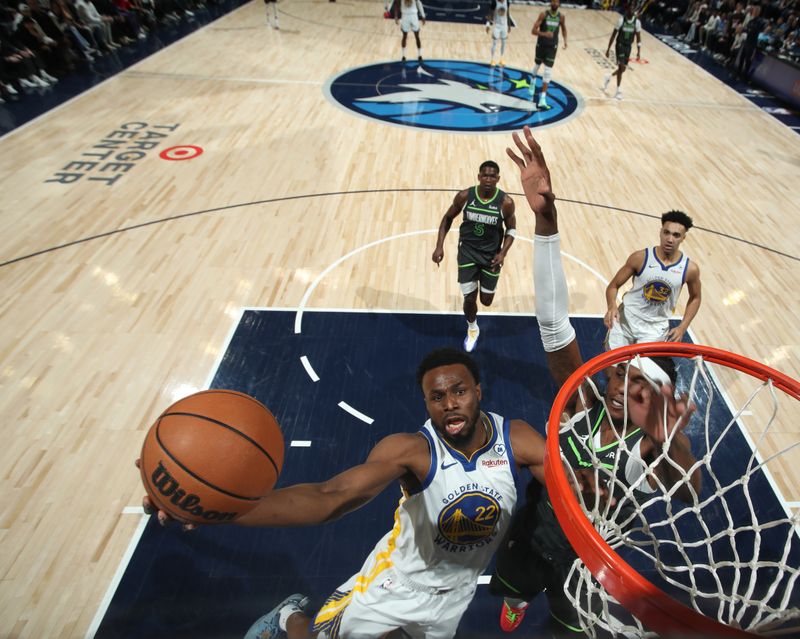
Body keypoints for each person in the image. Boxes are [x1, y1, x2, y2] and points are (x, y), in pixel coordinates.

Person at [141, 347, 551, 639]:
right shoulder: (411, 451)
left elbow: (572, 491)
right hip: (395, 584)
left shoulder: (515, 439)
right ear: (426, 403)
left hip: (457, 591)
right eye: (437, 397)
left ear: (478, 391)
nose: (449, 405)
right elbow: (329, 496)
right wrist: (219, 510)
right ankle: (288, 618)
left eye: (459, 391)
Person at [488, 127, 701, 635]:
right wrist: (546, 223)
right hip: (537, 528)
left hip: (591, 556)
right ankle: (518, 595)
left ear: (650, 398)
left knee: (568, 621)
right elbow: (553, 322)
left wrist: (675, 443)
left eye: (633, 381)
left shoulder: (650, 445)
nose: (617, 378)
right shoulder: (582, 402)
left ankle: (561, 614)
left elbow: (691, 493)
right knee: (516, 586)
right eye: (619, 370)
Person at [431, 161, 516, 353]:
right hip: (467, 253)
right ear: (478, 177)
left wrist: (503, 253)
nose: (488, 179)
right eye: (485, 175)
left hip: (491, 257)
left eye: (492, 176)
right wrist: (439, 246)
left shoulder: (506, 203)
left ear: (498, 179)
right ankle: (472, 328)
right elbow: (447, 218)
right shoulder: (464, 196)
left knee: (486, 300)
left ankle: (483, 288)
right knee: (469, 298)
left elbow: (511, 228)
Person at [603, 209, 702, 349]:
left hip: (655, 329)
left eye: (676, 235)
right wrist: (611, 306)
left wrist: (683, 327)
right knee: (613, 369)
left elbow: (696, 298)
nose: (670, 239)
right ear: (660, 232)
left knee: (641, 371)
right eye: (666, 232)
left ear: (683, 238)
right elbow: (613, 285)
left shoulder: (690, 269)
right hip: (625, 319)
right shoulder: (640, 257)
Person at [530, 0, 567, 110]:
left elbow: (564, 29)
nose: (555, 3)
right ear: (551, 3)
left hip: (552, 46)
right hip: (541, 44)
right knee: (537, 66)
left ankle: (542, 99)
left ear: (559, 4)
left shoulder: (561, 17)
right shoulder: (544, 14)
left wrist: (565, 41)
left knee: (548, 71)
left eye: (557, 2)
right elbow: (533, 31)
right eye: (553, 1)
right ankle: (532, 82)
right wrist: (544, 34)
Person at [601, 4, 642, 100]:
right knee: (621, 66)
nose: (632, 11)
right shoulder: (621, 21)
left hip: (628, 47)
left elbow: (639, 37)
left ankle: (609, 76)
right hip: (620, 45)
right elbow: (613, 35)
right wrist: (608, 49)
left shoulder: (637, 23)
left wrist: (639, 52)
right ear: (627, 10)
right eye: (630, 9)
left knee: (622, 69)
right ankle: (618, 91)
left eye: (633, 9)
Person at [486, 0, 512, 67]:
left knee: (504, 43)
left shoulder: (507, 2)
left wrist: (509, 25)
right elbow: (490, 14)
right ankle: (492, 59)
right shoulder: (494, 2)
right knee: (494, 43)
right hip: (497, 25)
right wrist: (488, 24)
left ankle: (501, 59)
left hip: (504, 26)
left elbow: (508, 14)